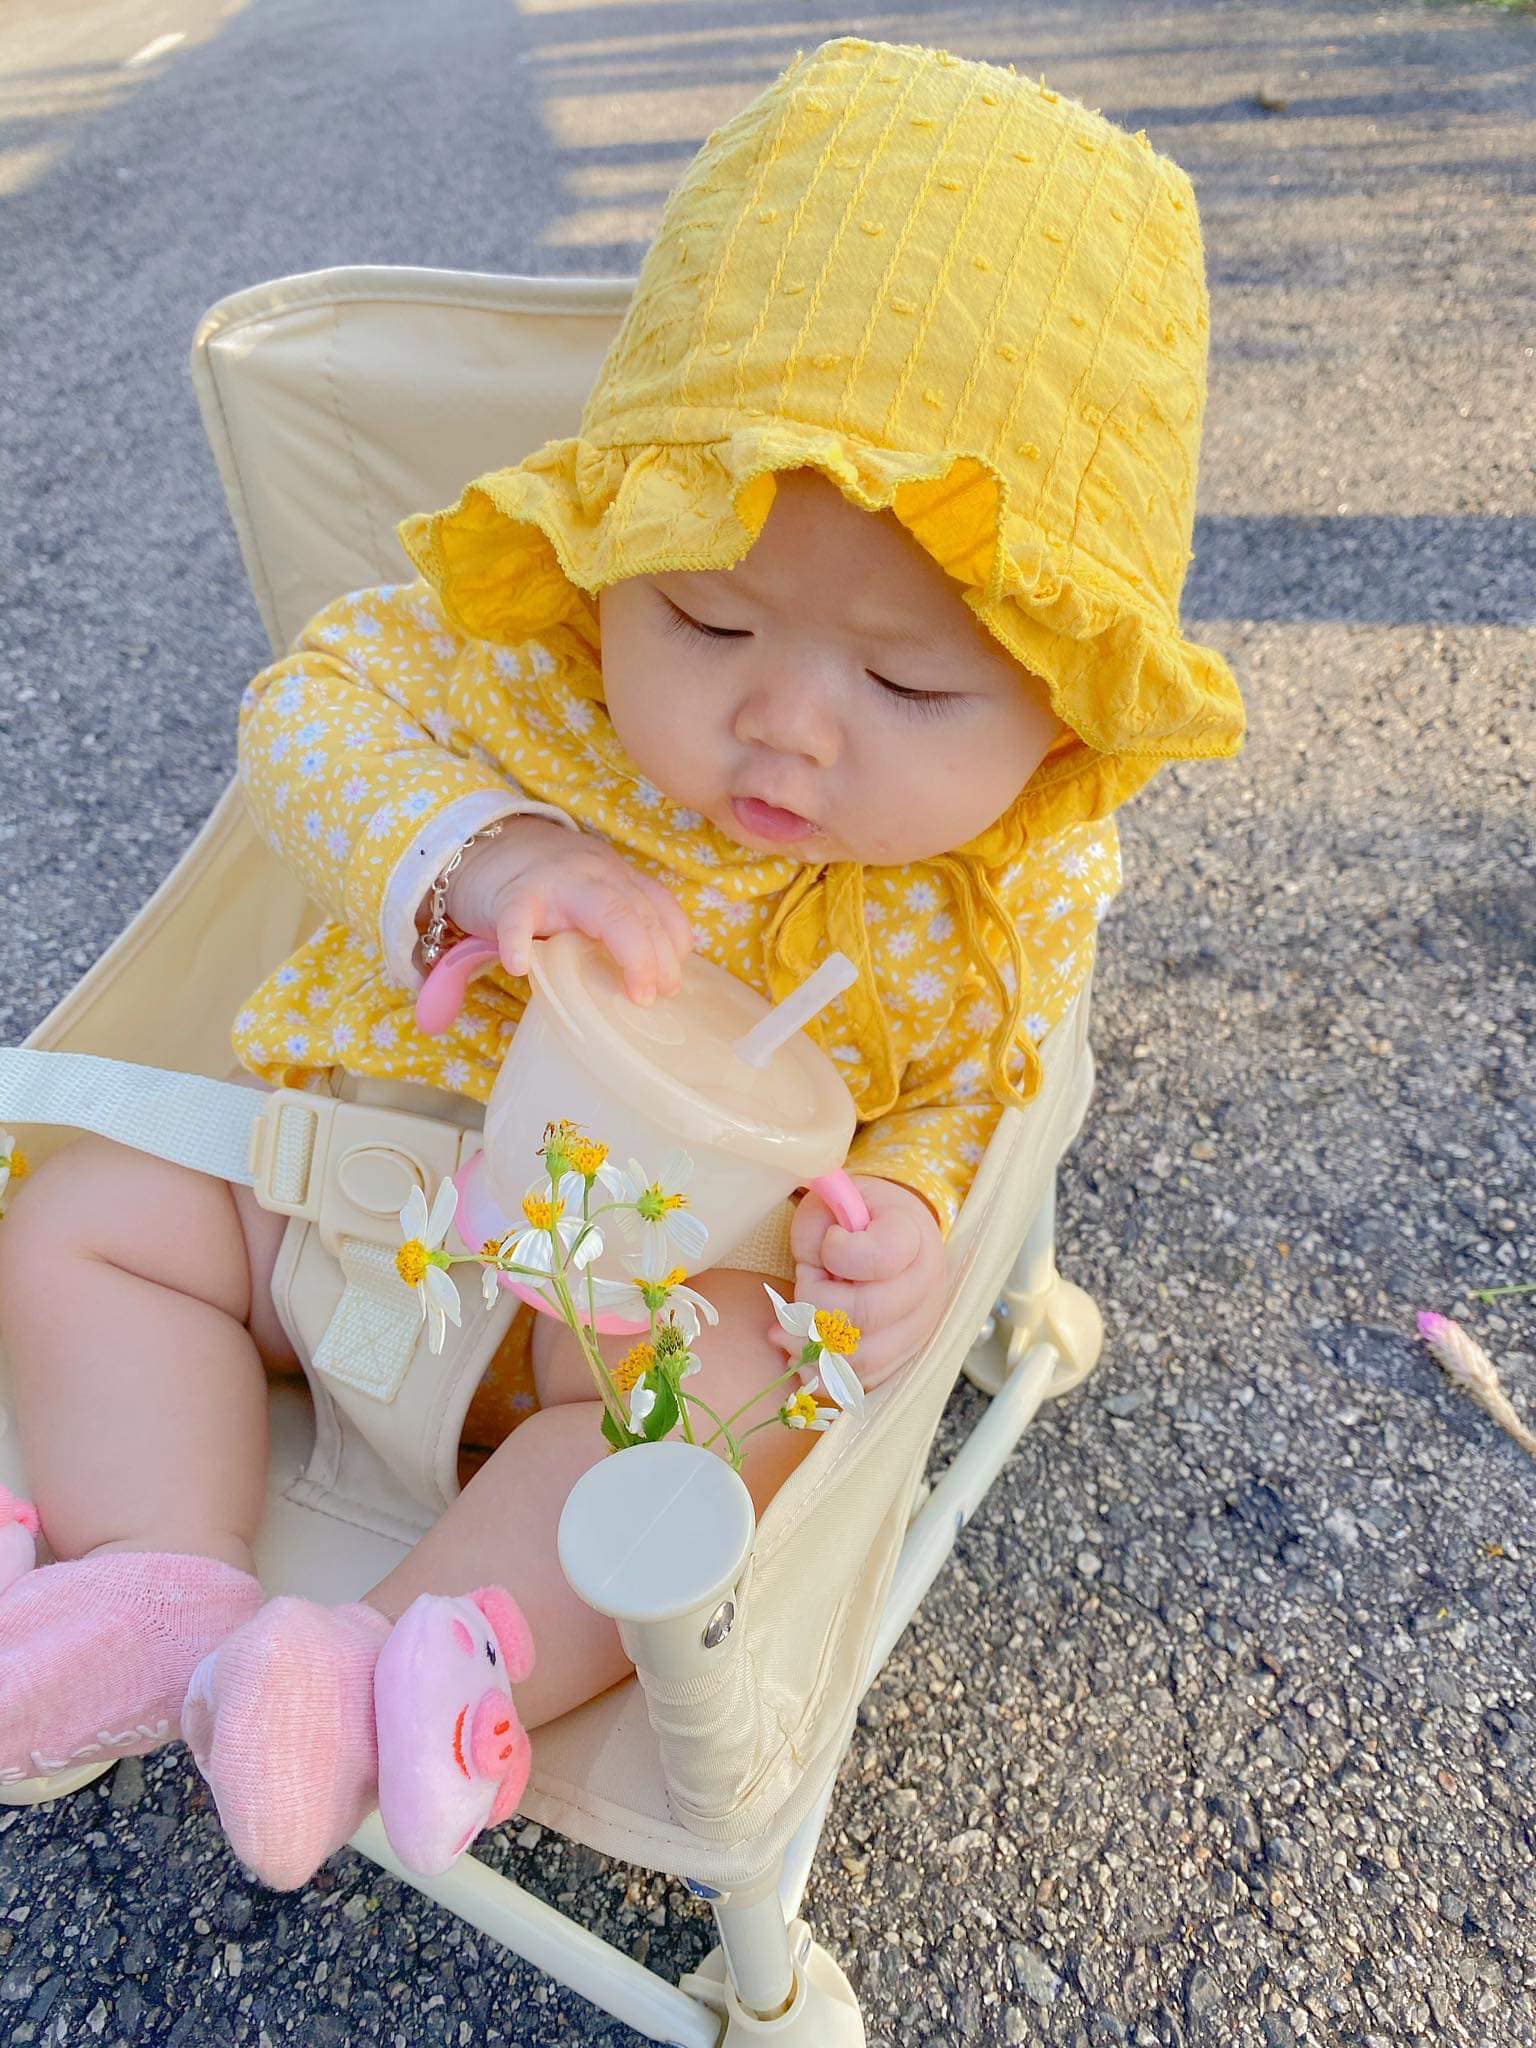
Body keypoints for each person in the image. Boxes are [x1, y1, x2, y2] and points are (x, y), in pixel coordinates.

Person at [0, 36, 1243, 1890]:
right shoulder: (531, 665)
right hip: (331, 1212)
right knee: (91, 1215)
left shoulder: (992, 892)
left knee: (750, 1396)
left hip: (615, 1337)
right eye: (709, 618)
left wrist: (908, 1220)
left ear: (1060, 721)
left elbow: (976, 1089)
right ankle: (160, 1587)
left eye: (908, 685)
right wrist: (488, 852)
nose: (787, 726)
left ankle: (401, 1659)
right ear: (614, 552)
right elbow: (311, 711)